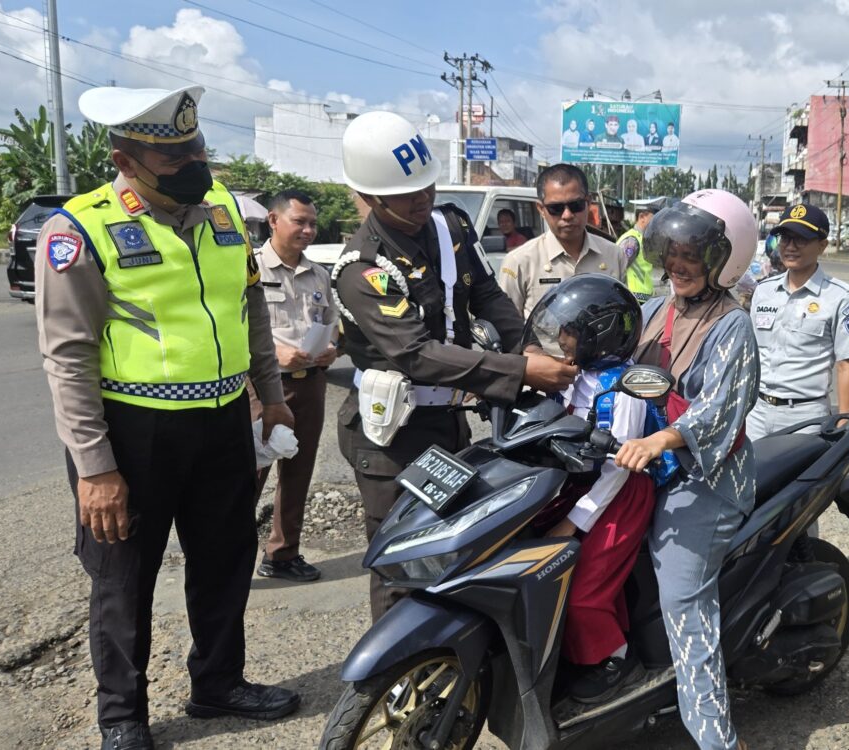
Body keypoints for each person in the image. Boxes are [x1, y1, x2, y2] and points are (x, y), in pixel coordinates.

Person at [35, 85, 300, 750]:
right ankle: (122, 717)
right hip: (131, 432)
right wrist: (95, 468)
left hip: (220, 425)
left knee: (225, 557)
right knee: (124, 577)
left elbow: (253, 311)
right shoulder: (80, 228)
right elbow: (67, 359)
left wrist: (269, 392)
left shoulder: (222, 217)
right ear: (127, 160)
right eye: (173, 153)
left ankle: (218, 683)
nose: (193, 162)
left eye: (197, 147)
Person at [332, 111, 578, 621]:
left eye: (427, 186)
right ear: (371, 198)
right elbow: (414, 353)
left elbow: (488, 295)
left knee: (453, 542)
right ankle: (397, 686)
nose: (422, 199)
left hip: (448, 419)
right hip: (392, 436)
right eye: (406, 195)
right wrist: (518, 371)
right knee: (402, 560)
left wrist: (528, 346)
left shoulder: (450, 226)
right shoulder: (362, 268)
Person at [613, 189, 759, 750]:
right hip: (648, 461)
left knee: (682, 601)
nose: (678, 268)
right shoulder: (654, 308)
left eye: (693, 257)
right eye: (671, 255)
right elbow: (618, 364)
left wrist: (664, 439)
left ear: (726, 260)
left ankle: (717, 739)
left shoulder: (732, 326)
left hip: (708, 477)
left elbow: (719, 410)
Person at [524, 274, 658, 704]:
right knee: (592, 583)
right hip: (584, 484)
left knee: (582, 592)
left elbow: (618, 468)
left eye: (569, 333)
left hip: (618, 495)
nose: (560, 340)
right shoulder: (581, 375)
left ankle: (617, 661)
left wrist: (573, 521)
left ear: (597, 337)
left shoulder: (622, 389)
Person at [249, 189, 338, 583]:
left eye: (312, 223)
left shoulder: (319, 274)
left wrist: (331, 349)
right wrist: (275, 353)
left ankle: (282, 555)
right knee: (250, 472)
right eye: (299, 221)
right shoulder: (249, 267)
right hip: (262, 388)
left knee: (298, 472)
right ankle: (226, 558)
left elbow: (332, 323)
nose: (308, 230)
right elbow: (234, 327)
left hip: (310, 385)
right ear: (273, 221)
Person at [746, 203, 849, 440]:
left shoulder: (841, 296)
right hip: (757, 413)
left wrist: (844, 423)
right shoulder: (764, 291)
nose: (790, 247)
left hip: (805, 417)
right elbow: (751, 355)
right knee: (753, 477)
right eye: (785, 238)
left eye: (801, 239)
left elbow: (846, 366)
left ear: (822, 245)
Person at [497, 163, 628, 317]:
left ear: (588, 202)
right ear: (541, 209)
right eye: (556, 208)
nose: (567, 215)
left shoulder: (614, 255)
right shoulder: (519, 261)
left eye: (576, 205)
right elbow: (508, 326)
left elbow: (623, 315)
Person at [616, 198, 662, 301]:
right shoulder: (632, 241)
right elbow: (616, 268)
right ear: (642, 217)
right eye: (654, 219)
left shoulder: (642, 239)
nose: (657, 224)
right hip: (632, 299)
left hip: (643, 301)